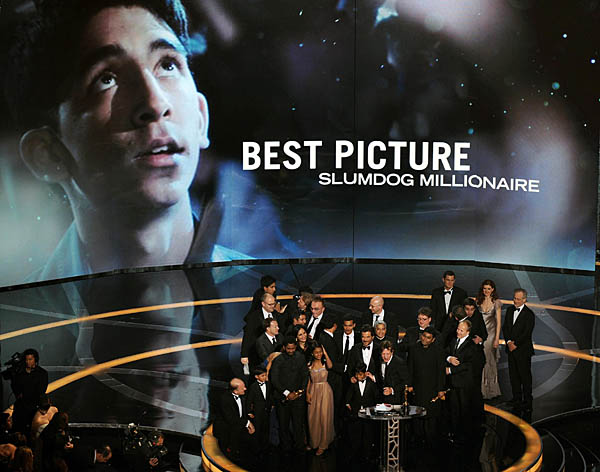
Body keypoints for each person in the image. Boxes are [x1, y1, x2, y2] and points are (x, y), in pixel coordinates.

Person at [8, 0, 214, 281]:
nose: (155, 103)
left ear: (201, 118)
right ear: (47, 155)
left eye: (167, 65)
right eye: (106, 79)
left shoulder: (268, 293)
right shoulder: (21, 308)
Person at [407, 327, 446, 451]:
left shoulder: (438, 351)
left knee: (431, 418)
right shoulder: (414, 349)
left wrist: (440, 389)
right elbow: (410, 368)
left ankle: (430, 444)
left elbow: (441, 372)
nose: (424, 339)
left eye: (428, 338)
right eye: (423, 336)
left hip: (432, 389)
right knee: (417, 415)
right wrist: (410, 385)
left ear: (433, 340)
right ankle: (418, 442)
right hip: (418, 388)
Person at [269, 338, 309, 454]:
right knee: (283, 425)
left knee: (298, 424)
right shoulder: (278, 360)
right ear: (284, 347)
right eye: (288, 348)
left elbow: (305, 375)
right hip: (282, 398)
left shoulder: (300, 357)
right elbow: (274, 379)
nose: (290, 351)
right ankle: (286, 449)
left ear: (295, 347)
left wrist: (298, 392)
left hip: (298, 397)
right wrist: (287, 393)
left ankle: (299, 447)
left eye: (292, 348)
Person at [502, 288, 535, 412]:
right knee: (513, 376)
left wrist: (515, 343)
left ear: (524, 300)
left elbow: (527, 333)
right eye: (515, 298)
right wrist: (508, 342)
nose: (515, 301)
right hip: (511, 349)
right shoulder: (510, 310)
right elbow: (505, 328)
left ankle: (527, 402)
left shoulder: (529, 314)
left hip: (523, 351)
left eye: (518, 299)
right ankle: (516, 399)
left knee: (525, 377)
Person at [445, 320, 477, 442]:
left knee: (464, 410)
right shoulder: (454, 340)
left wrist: (451, 370)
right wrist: (449, 358)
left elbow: (468, 365)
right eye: (458, 329)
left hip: (464, 383)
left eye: (461, 330)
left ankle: (463, 436)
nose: (458, 332)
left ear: (468, 332)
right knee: (453, 409)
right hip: (453, 383)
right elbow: (446, 352)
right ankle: (454, 433)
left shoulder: (471, 346)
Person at [212, 378, 255, 465]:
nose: (245, 389)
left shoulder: (243, 395)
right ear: (235, 391)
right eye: (243, 388)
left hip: (238, 429)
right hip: (226, 432)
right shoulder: (224, 399)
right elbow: (231, 419)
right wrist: (247, 423)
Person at [344, 363, 377, 467]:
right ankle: (355, 454)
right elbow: (348, 398)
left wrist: (373, 409)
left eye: (361, 375)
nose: (358, 377)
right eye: (357, 374)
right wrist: (349, 405)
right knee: (356, 434)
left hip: (368, 413)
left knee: (368, 433)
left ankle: (367, 454)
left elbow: (376, 397)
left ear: (365, 374)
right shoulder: (353, 384)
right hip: (356, 413)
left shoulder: (371, 384)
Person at [306, 344, 335, 456]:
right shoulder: (309, 365)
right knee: (313, 417)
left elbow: (331, 366)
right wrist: (307, 393)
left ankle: (323, 444)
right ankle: (314, 442)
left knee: (324, 417)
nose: (319, 354)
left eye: (320, 352)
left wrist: (325, 353)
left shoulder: (325, 363)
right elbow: (308, 380)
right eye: (316, 352)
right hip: (313, 390)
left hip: (325, 391)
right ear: (312, 353)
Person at [10, 349, 48, 434]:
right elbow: (15, 387)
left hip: (34, 407)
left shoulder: (42, 373)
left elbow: (42, 390)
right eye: (26, 359)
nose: (27, 362)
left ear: (35, 360)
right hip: (21, 408)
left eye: (30, 359)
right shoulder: (19, 373)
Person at [476, 279, 503, 400]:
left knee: (489, 361)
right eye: (484, 288)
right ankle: (481, 389)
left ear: (493, 289)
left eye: (488, 289)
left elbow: (498, 323)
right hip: (480, 334)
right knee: (481, 360)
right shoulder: (478, 301)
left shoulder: (496, 303)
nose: (486, 291)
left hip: (491, 335)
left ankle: (490, 390)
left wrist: (497, 338)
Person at [241, 293, 278, 370]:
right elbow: (248, 335)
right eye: (270, 304)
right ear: (263, 304)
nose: (273, 306)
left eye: (274, 304)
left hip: (273, 353)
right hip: (256, 354)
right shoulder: (253, 316)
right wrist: (244, 355)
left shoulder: (276, 315)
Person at [246, 367, 273, 454]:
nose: (265, 377)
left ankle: (265, 447)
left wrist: (271, 405)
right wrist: (249, 412)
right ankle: (256, 448)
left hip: (267, 411)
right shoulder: (253, 387)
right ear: (256, 377)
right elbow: (249, 400)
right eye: (263, 376)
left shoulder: (268, 385)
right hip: (257, 412)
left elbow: (269, 397)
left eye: (265, 375)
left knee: (266, 429)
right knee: (257, 429)